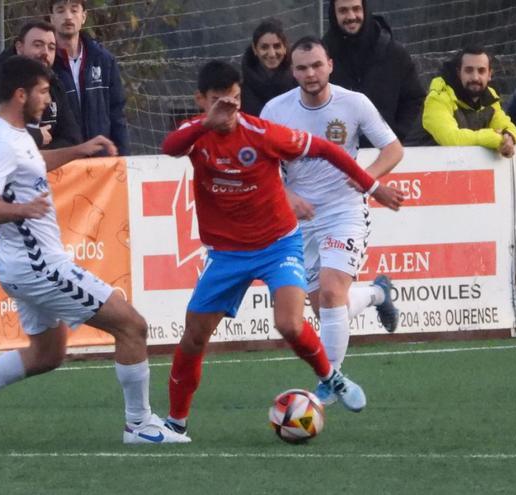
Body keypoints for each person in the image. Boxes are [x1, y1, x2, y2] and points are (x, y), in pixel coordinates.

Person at [0, 56, 189, 446]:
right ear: (20, 94)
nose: (48, 99)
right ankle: (139, 425)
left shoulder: (15, 134)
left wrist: (80, 149)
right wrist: (21, 209)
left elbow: (33, 162)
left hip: (26, 265)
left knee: (47, 354)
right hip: (38, 265)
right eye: (43, 91)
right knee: (132, 325)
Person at [161, 60, 404, 438]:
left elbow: (327, 149)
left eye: (236, 101)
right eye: (218, 102)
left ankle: (331, 377)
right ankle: (176, 424)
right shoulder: (195, 135)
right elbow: (169, 147)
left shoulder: (261, 133)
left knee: (290, 323)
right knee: (194, 336)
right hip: (226, 254)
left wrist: (373, 187)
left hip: (278, 244)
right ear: (201, 101)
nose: (229, 111)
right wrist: (206, 123)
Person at [260, 37, 403, 406]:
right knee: (323, 307)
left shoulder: (354, 104)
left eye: (317, 65)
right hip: (299, 218)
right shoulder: (275, 110)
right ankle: (377, 293)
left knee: (330, 292)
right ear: (292, 71)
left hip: (345, 211)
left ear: (330, 65)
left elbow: (393, 148)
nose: (310, 74)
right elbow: (261, 167)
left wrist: (368, 176)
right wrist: (287, 196)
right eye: (303, 68)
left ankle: (330, 382)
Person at [0, 20, 82, 157]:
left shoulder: (55, 84)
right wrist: (35, 137)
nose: (45, 53)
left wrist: (41, 156)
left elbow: (72, 138)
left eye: (51, 48)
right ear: (19, 47)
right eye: (38, 45)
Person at [322, 0, 425, 146]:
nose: (351, 16)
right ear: (334, 14)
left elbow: (414, 98)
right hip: (336, 154)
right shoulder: (323, 57)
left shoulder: (394, 54)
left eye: (356, 9)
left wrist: (396, 133)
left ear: (365, 10)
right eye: (343, 11)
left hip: (385, 153)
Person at [49, 0, 129, 156]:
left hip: (101, 161)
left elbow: (117, 114)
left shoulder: (103, 60)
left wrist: (124, 159)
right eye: (60, 10)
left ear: (83, 16)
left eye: (74, 10)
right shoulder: (45, 62)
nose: (68, 17)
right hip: (63, 162)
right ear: (51, 18)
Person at [421, 46, 516, 157]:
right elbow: (451, 139)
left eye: (481, 71)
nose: (475, 77)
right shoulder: (438, 97)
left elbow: (509, 127)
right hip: (418, 170)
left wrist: (509, 137)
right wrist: (494, 138)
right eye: (469, 70)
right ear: (459, 73)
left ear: (489, 75)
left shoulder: (490, 98)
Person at [240, 18, 295, 116]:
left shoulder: (297, 81)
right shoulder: (241, 88)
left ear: (285, 47)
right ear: (255, 49)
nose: (272, 54)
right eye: (264, 47)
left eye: (277, 46)